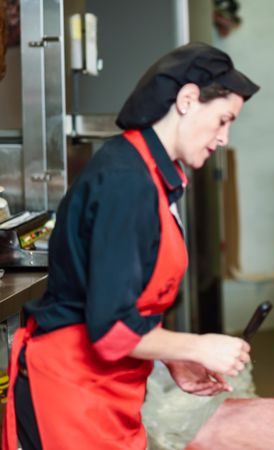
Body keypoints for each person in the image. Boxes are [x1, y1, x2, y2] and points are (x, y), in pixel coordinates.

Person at [2, 42, 259, 450]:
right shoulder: (127, 181)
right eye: (223, 120)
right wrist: (198, 346)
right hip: (69, 392)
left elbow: (130, 307)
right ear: (188, 100)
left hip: (110, 390)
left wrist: (173, 356)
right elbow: (112, 327)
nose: (224, 139)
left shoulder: (153, 176)